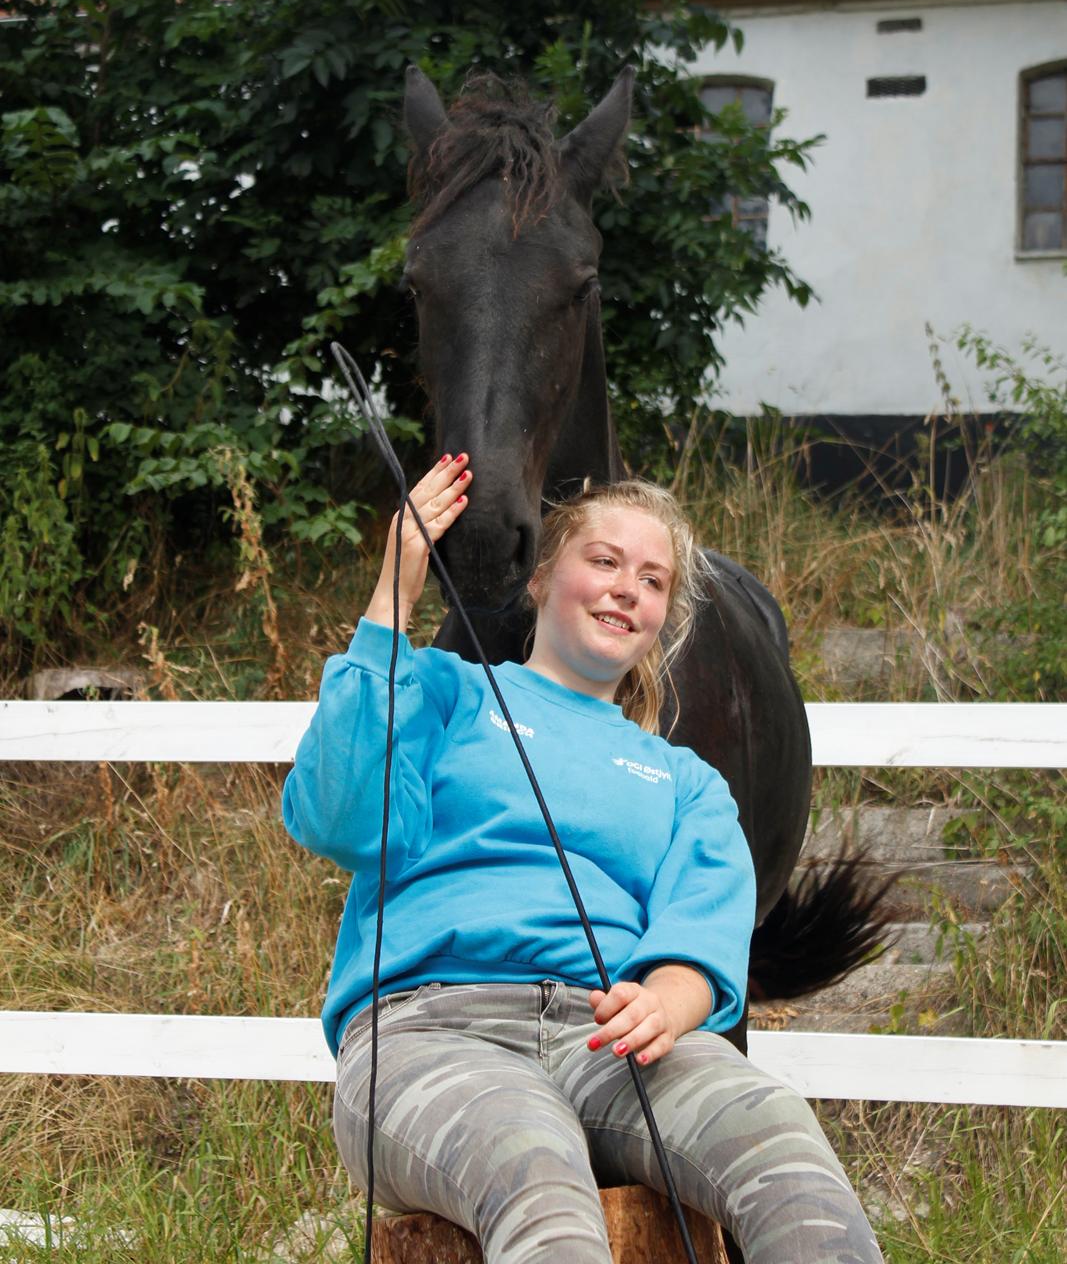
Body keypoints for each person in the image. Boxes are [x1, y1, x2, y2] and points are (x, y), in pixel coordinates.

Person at [282, 455, 884, 1264]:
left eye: (652, 578)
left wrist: (666, 1003)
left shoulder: (684, 782)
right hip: (428, 1036)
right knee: (535, 1170)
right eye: (602, 560)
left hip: (613, 1044)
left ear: (664, 617)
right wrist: (394, 590)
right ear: (538, 581)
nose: (626, 586)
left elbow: (700, 939)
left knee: (781, 1145)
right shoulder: (442, 693)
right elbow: (340, 819)